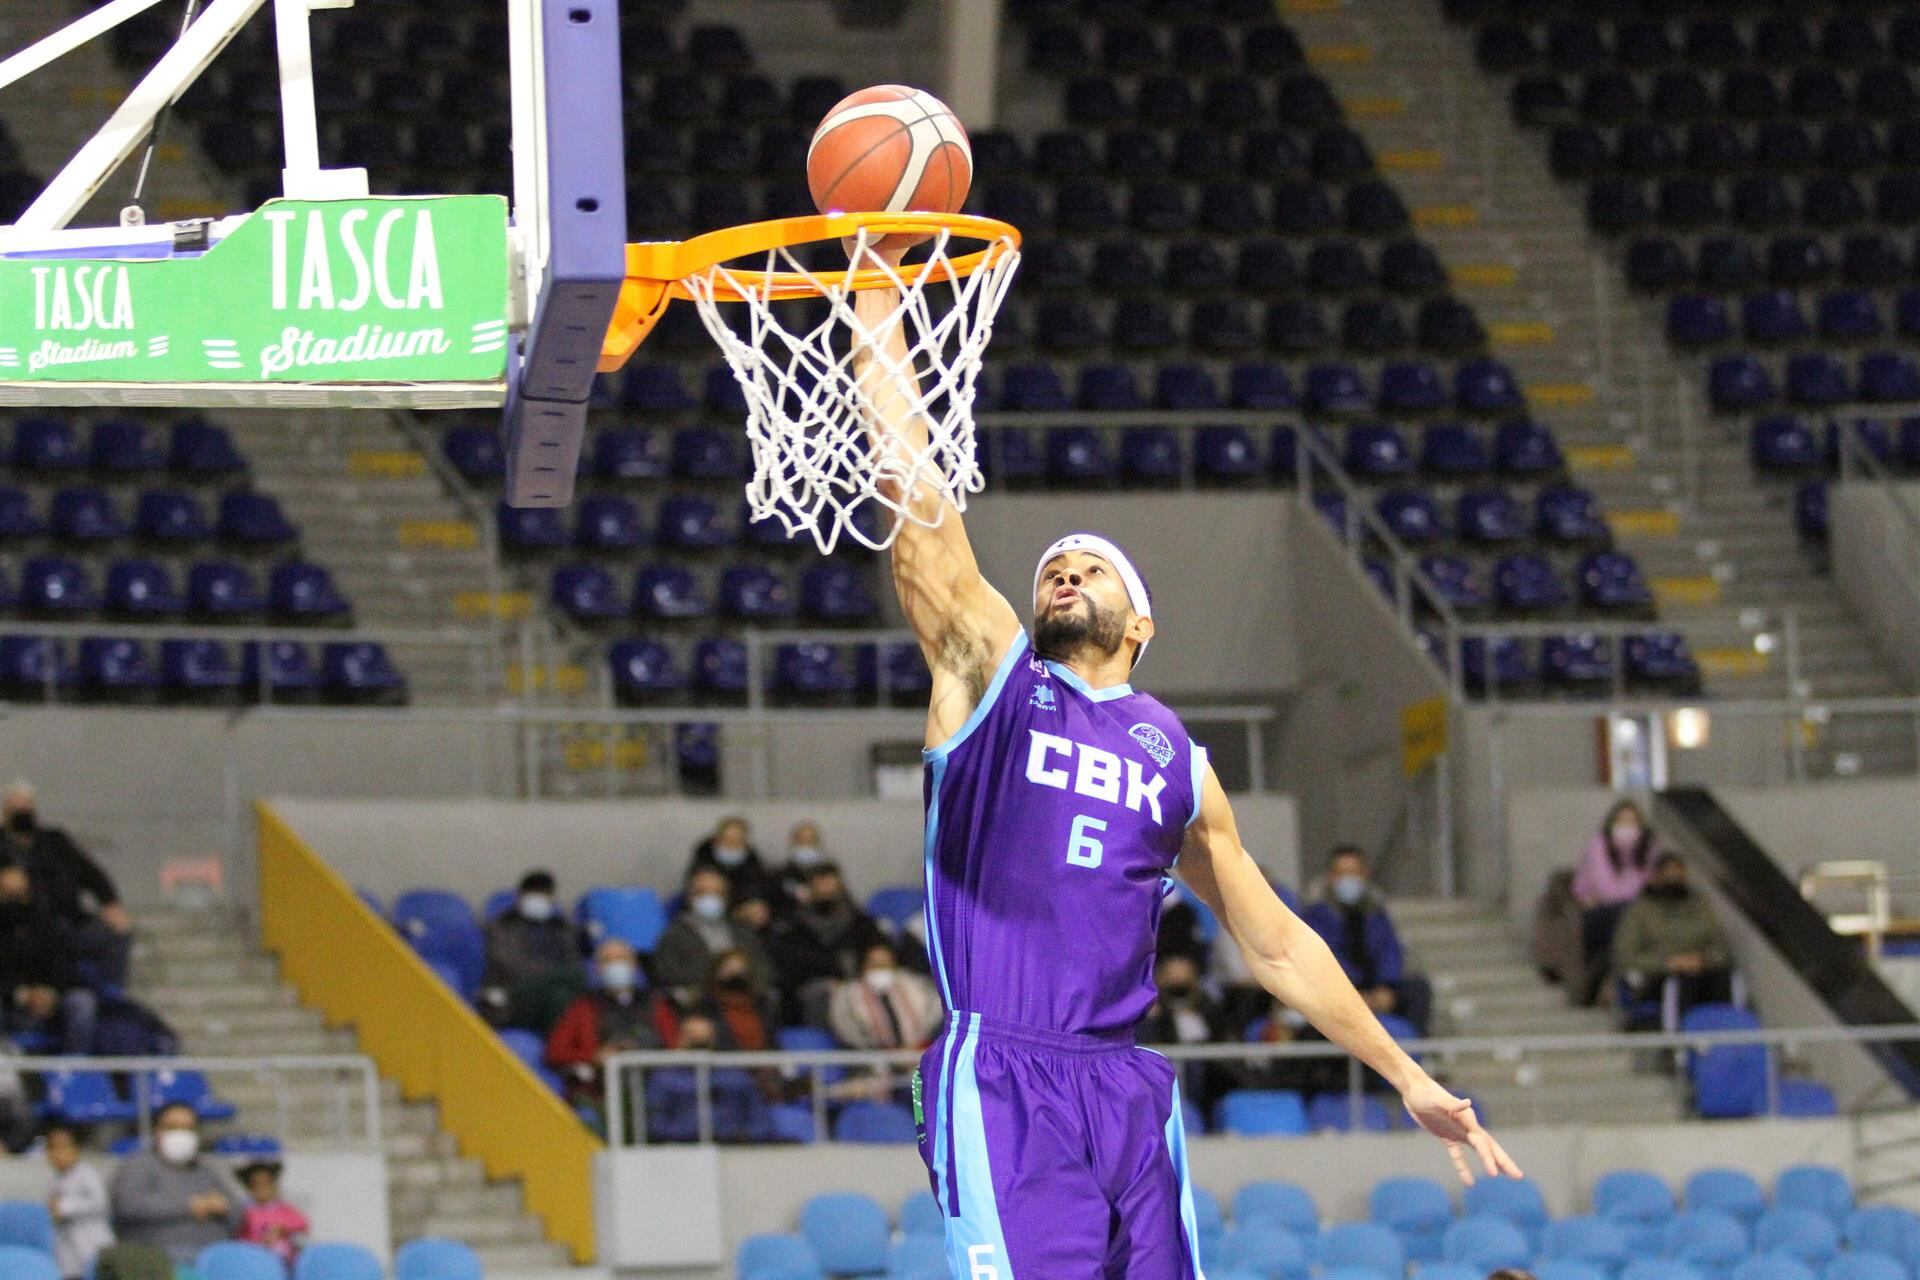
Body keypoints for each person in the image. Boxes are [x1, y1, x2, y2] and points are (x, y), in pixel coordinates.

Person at [849, 254, 1517, 1280]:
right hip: (1004, 1074)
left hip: (1124, 1084)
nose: (1064, 573)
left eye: (1091, 567)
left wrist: (1405, 1072)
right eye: (1052, 570)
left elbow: (1281, 943)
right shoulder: (993, 673)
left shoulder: (1176, 759)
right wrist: (879, 308)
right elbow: (919, 517)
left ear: (1141, 620)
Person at [1, 782, 129, 989]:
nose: (22, 811)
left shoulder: (55, 842)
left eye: (26, 805)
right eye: (16, 806)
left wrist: (110, 902)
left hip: (69, 919)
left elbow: (91, 873)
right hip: (24, 928)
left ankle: (112, 998)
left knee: (115, 934)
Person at [1302, 846, 1434, 1035]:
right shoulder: (1316, 915)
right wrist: (1354, 994)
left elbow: (1390, 949)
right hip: (1338, 991)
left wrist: (1385, 986)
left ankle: (1414, 1055)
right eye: (1341, 873)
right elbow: (1325, 957)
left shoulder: (1376, 912)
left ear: (1365, 874)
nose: (1348, 880)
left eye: (1353, 872)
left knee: (1417, 989)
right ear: (1330, 877)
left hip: (1374, 987)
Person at [546, 938, 681, 1105]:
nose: (616, 966)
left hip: (654, 1086)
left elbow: (675, 1048)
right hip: (601, 1091)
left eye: (622, 960)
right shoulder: (583, 1007)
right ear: (596, 968)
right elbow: (555, 1052)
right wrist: (595, 1055)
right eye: (607, 961)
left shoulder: (656, 1004)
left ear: (634, 966)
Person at [108, 1103, 245, 1265]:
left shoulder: (205, 1171)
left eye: (188, 1128)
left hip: (215, 1253)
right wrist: (190, 1206)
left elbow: (237, 1210)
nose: (181, 1134)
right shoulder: (137, 1166)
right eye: (173, 1127)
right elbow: (128, 1206)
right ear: (156, 1131)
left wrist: (223, 1206)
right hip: (159, 1256)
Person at [1611, 853, 1734, 1028]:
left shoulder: (1700, 906)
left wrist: (1703, 960)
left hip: (1702, 969)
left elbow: (1721, 946)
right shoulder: (1639, 911)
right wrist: (1670, 963)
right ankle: (1679, 1038)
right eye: (1669, 875)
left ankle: (1725, 1036)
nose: (1674, 879)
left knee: (1722, 976)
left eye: (1678, 875)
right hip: (1658, 976)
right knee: (1683, 982)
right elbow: (1626, 956)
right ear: (1655, 877)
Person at [769, 862, 890, 1026]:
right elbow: (790, 968)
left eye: (830, 882)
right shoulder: (792, 926)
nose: (826, 888)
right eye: (820, 883)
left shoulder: (860, 922)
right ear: (810, 888)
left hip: (858, 987)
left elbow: (880, 950)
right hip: (812, 992)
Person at [0, 863, 97, 1054]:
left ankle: (72, 1071)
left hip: (49, 1001)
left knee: (82, 1002)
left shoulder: (48, 926)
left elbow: (64, 966)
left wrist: (50, 994)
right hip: (9, 1003)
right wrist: (22, 994)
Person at [1572, 800, 1660, 1005]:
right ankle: (1628, 972)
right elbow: (1606, 890)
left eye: (1632, 822)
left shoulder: (1649, 847)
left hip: (1637, 913)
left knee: (1630, 919)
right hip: (1602, 912)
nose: (1627, 828)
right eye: (1622, 822)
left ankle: (1610, 972)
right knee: (1620, 916)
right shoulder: (1599, 845)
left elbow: (1648, 885)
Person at [652, 867, 774, 1007]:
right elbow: (668, 975)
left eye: (717, 893)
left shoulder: (742, 931)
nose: (711, 899)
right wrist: (717, 974)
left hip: (744, 1001)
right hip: (701, 1003)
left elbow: (763, 967)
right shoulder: (674, 935)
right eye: (703, 893)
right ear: (690, 897)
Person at [479, 870, 583, 1031]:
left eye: (544, 894)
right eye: (534, 894)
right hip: (512, 998)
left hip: (549, 998)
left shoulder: (561, 928)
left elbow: (573, 962)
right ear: (521, 897)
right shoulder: (502, 927)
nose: (539, 899)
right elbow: (509, 965)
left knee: (563, 996)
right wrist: (550, 975)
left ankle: (561, 1048)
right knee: (573, 980)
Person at [1134, 953, 1231, 1113]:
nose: (1178, 983)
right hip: (1171, 1075)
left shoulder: (1209, 1011)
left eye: (1184, 977)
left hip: (1211, 1078)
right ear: (1160, 980)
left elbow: (1222, 1040)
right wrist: (1152, 1019)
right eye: (1172, 977)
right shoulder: (1152, 1016)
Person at [829, 942, 944, 1051]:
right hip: (869, 1062)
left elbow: (934, 1014)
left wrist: (916, 1044)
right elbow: (846, 1028)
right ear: (864, 966)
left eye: (885, 964)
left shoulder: (917, 986)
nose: (880, 969)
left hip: (916, 1054)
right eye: (875, 965)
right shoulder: (847, 995)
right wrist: (879, 1049)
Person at [44, 1121, 113, 1280]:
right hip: (67, 1252)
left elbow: (100, 1202)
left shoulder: (86, 1174)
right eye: (52, 1148)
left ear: (77, 1149)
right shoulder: (53, 1181)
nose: (57, 1153)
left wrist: (64, 1207)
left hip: (92, 1244)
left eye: (63, 1147)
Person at [683, 816, 777, 904]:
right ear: (716, 841)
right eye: (727, 841)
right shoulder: (702, 862)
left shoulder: (754, 869)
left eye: (736, 842)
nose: (731, 847)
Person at [235, 1160, 309, 1265]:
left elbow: (302, 1223)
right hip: (254, 1258)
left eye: (267, 1183)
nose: (263, 1189)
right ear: (249, 1188)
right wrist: (260, 1240)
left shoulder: (283, 1208)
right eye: (257, 1185)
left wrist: (283, 1228)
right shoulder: (245, 1211)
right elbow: (240, 1236)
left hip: (284, 1260)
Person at [773, 820, 830, 908]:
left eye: (810, 839)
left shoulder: (828, 870)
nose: (806, 842)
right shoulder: (783, 870)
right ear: (795, 841)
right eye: (802, 839)